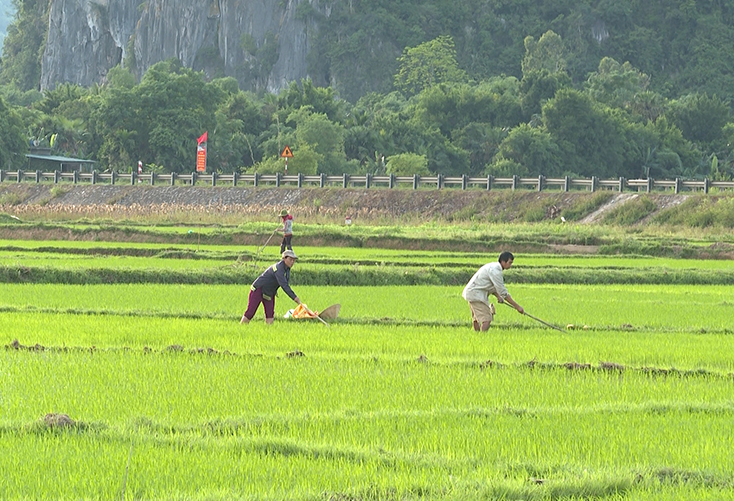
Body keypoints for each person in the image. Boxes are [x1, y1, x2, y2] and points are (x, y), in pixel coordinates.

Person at [462, 251, 524, 331]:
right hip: (476, 294)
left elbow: (492, 286)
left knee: (476, 318)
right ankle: (482, 340)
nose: (510, 265)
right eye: (509, 263)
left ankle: (477, 337)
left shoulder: (493, 267)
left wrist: (498, 296)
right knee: (487, 319)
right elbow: (503, 292)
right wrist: (518, 307)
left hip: (472, 292)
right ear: (503, 261)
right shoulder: (496, 271)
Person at [241, 249, 302, 324]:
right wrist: (296, 298)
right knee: (250, 312)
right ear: (284, 259)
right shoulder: (279, 268)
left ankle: (268, 333)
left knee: (270, 315)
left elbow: (285, 283)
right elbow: (284, 285)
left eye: (294, 260)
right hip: (258, 288)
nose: (292, 262)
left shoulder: (287, 269)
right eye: (290, 259)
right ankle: (240, 328)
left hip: (269, 292)